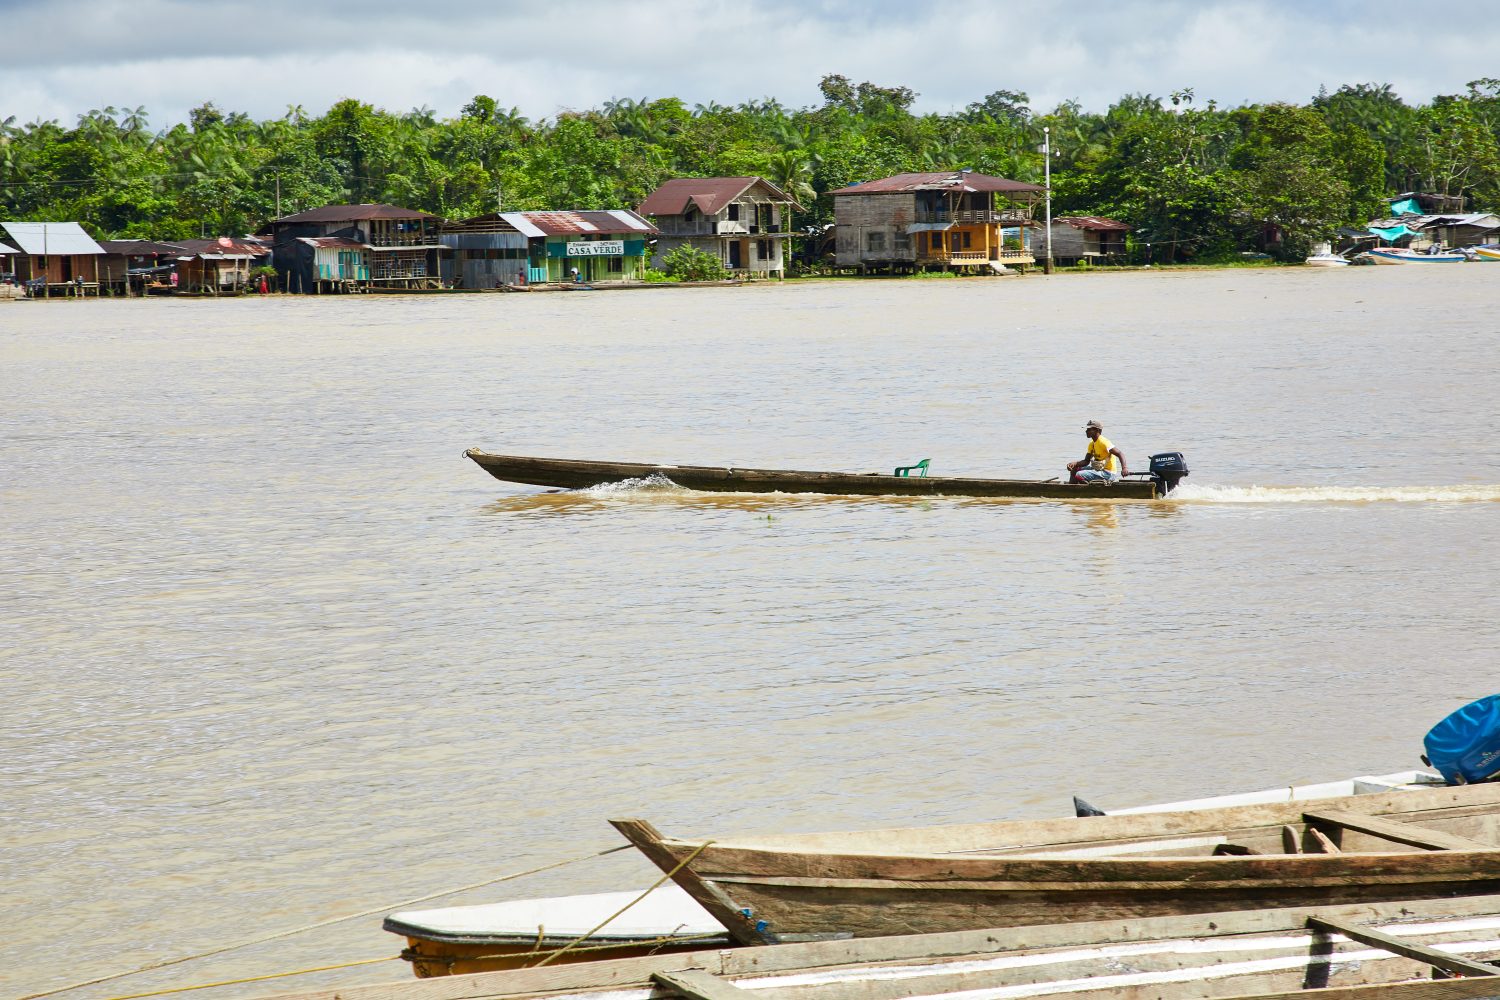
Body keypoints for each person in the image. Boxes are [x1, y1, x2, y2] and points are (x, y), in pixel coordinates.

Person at [1068, 420, 1129, 484]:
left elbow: (1120, 453)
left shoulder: (1103, 442)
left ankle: (1088, 489)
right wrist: (1074, 464)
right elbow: (1086, 461)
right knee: (1074, 470)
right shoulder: (1092, 444)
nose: (1086, 431)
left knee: (1079, 474)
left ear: (1097, 430)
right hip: (1099, 470)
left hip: (1108, 473)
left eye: (1089, 429)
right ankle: (1070, 490)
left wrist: (1124, 468)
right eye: (1087, 429)